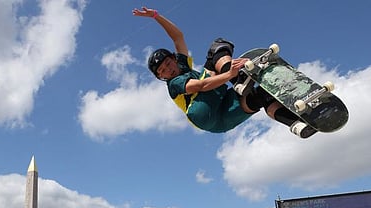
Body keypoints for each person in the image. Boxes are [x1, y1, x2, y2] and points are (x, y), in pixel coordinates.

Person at [132, 7, 317, 139]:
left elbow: (178, 37)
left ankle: (296, 125)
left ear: (173, 58)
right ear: (161, 77)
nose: (169, 70)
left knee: (261, 96)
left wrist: (156, 16)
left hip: (221, 121)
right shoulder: (174, 84)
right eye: (163, 72)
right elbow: (201, 85)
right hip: (201, 111)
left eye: (167, 64)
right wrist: (230, 75)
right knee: (216, 50)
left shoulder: (182, 63)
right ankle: (238, 80)